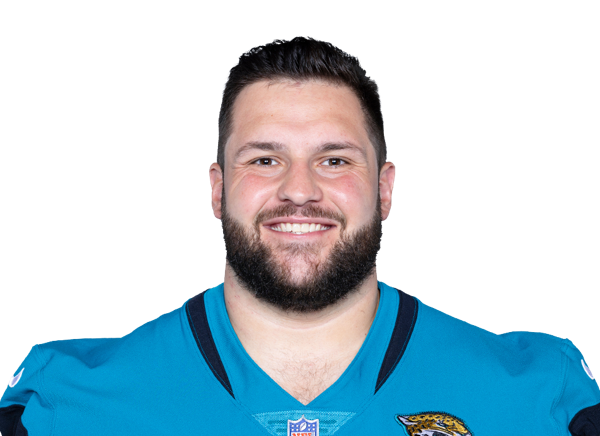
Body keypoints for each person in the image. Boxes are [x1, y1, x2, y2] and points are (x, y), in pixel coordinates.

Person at [1, 36, 598, 435]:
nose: (299, 190)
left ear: (385, 188)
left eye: (334, 160)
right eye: (265, 160)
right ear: (217, 189)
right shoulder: (65, 402)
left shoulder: (540, 395)